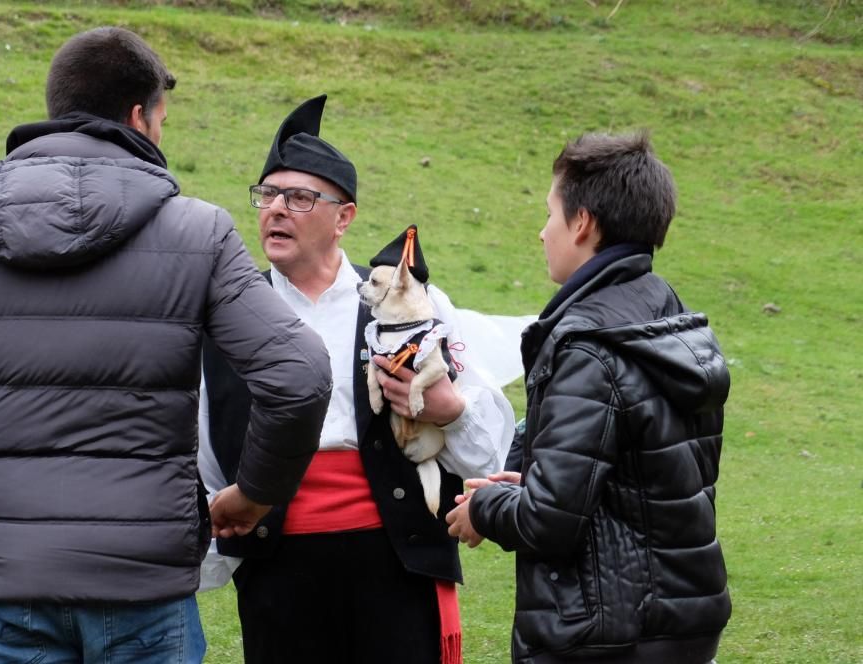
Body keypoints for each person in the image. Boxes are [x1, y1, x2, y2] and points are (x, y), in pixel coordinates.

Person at [0, 27, 333, 663]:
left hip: (8, 578)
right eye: (162, 119)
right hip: (142, 577)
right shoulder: (197, 230)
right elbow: (299, 375)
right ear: (139, 116)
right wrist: (255, 493)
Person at [199, 95, 515, 664]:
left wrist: (449, 410)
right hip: (277, 562)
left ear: (344, 217)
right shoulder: (229, 308)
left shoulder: (409, 299)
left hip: (393, 556)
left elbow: (485, 442)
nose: (276, 209)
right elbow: (205, 431)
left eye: (299, 198)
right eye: (268, 195)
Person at [446, 132, 731, 663]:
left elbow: (550, 521)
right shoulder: (667, 316)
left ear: (583, 224)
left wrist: (485, 508)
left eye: (550, 213)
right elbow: (626, 476)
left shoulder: (586, 345)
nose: (541, 232)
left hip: (607, 633)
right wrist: (531, 473)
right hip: (682, 619)